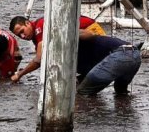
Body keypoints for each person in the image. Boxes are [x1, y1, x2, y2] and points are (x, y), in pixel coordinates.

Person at [9, 16, 141, 95]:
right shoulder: (77, 54)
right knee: (120, 93)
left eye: (22, 31)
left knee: (82, 93)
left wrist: (19, 74)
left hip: (120, 54)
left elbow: (39, 59)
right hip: (134, 54)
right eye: (19, 35)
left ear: (27, 23)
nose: (23, 36)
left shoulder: (41, 27)